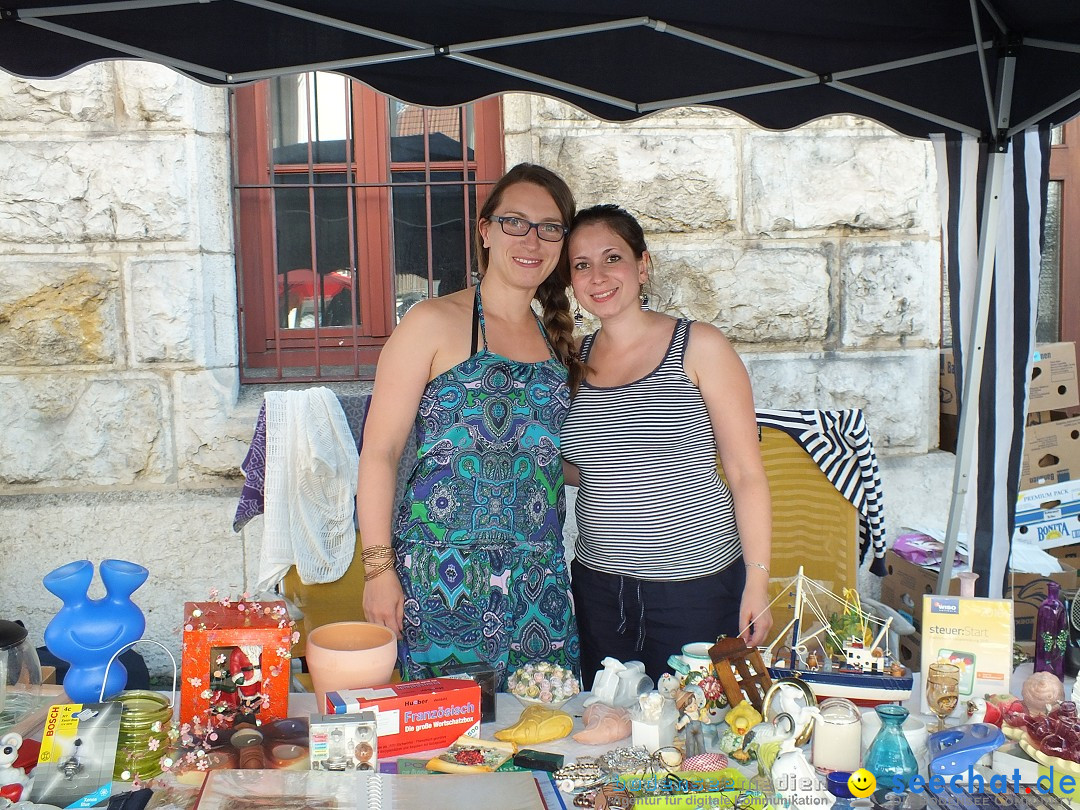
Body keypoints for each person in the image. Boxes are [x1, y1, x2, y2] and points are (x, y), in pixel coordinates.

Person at [357, 164, 583, 685]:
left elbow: (553, 459)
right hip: (443, 581)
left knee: (542, 738)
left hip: (538, 583)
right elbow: (380, 452)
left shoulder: (557, 341)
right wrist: (377, 570)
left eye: (550, 227)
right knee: (448, 745)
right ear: (484, 230)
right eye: (515, 222)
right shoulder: (432, 322)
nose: (532, 239)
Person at [561, 203, 773, 684]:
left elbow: (745, 473)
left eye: (612, 257)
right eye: (581, 264)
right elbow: (583, 464)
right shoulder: (573, 360)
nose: (598, 275)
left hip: (695, 591)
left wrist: (757, 584)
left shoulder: (700, 346)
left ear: (642, 265)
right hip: (600, 589)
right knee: (612, 731)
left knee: (697, 736)